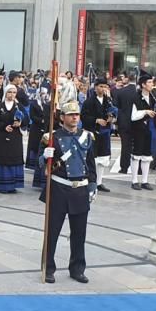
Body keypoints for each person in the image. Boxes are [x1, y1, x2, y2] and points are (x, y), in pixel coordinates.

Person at [39, 100, 97, 284]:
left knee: (79, 233)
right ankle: (48, 268)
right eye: (71, 114)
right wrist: (44, 156)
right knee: (52, 232)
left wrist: (93, 185)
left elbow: (91, 163)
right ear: (62, 117)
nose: (74, 117)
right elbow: (39, 165)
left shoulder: (87, 137)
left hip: (79, 189)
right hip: (59, 188)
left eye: (77, 115)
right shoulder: (51, 137)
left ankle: (77, 268)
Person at [0, 84, 25, 193]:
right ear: (5, 93)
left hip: (15, 137)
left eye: (14, 92)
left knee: (14, 158)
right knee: (3, 159)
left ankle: (13, 184)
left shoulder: (19, 107)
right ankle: (2, 185)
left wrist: (20, 123)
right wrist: (4, 127)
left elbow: (27, 120)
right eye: (10, 92)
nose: (12, 95)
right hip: (2, 137)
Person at [81, 78, 114, 193]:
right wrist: (96, 120)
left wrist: (111, 117)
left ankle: (99, 182)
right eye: (101, 86)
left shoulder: (108, 101)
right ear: (95, 87)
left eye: (105, 86)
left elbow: (112, 112)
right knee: (92, 159)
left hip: (104, 133)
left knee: (103, 158)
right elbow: (83, 117)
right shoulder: (89, 101)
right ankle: (91, 181)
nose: (103, 89)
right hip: (92, 132)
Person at [130, 73, 156, 190]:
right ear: (143, 85)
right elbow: (133, 116)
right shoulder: (135, 97)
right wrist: (145, 112)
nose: (152, 84)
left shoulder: (153, 97)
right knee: (136, 155)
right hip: (138, 130)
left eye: (152, 82)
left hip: (149, 130)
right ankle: (134, 180)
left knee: (147, 155)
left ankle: (145, 181)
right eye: (150, 82)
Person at [115, 71, 138, 174]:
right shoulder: (139, 92)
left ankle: (124, 167)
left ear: (128, 79)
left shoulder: (121, 92)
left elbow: (116, 107)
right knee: (138, 145)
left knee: (125, 146)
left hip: (124, 122)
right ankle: (139, 168)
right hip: (137, 122)